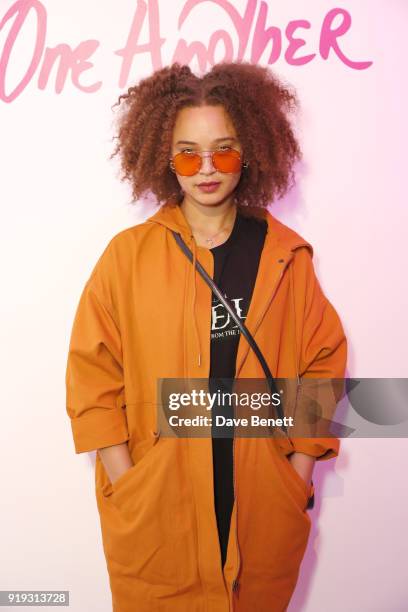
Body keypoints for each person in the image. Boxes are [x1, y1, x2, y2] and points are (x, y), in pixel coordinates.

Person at [65, 61, 347, 612]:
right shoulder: (128, 258)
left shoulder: (285, 255)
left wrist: (298, 473)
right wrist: (129, 487)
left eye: (225, 149)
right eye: (188, 153)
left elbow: (323, 359)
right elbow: (92, 377)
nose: (207, 168)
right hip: (159, 506)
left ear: (253, 149)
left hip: (262, 501)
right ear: (164, 159)